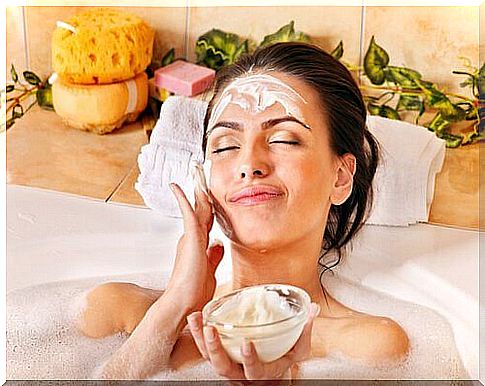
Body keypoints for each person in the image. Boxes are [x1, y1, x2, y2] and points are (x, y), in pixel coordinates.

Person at [78, 42, 410, 381]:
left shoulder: (368, 349)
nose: (249, 164)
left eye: (284, 139)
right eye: (225, 146)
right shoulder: (117, 311)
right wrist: (174, 306)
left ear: (340, 178)